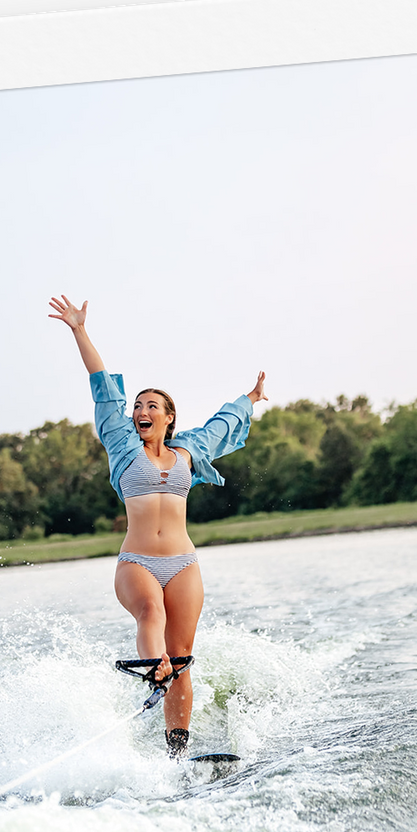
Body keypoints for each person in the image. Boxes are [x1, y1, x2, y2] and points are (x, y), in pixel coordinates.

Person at [49, 295, 267, 757]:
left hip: (184, 564)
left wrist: (250, 398)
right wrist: (79, 330)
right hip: (138, 562)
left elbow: (224, 424)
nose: (140, 411)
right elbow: (103, 387)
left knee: (183, 657)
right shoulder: (123, 445)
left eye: (152, 406)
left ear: (168, 418)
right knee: (151, 614)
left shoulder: (188, 451)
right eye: (138, 407)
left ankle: (177, 753)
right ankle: (153, 668)